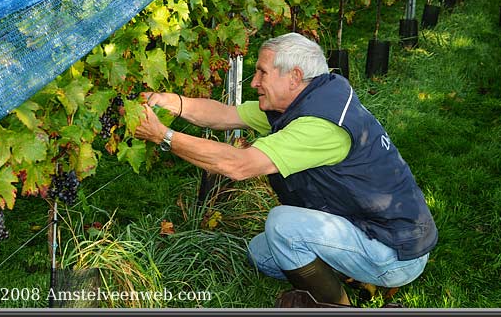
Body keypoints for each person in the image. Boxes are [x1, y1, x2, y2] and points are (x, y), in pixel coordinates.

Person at [134, 32, 438, 307]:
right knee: (262, 254)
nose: (253, 82)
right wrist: (172, 103)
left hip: (394, 250)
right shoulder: (306, 99)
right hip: (365, 225)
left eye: (262, 72)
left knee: (283, 226)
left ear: (294, 76)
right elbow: (225, 115)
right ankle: (350, 274)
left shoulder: (319, 125)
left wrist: (164, 137)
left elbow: (238, 166)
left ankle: (341, 307)